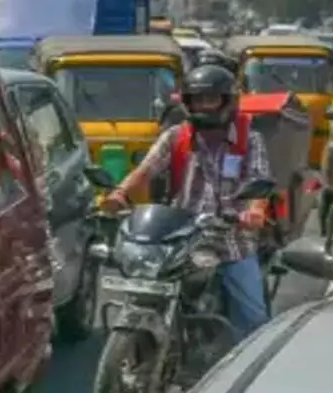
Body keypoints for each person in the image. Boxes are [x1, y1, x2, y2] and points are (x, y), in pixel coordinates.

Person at [102, 63, 273, 337]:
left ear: (227, 101)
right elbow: (146, 170)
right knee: (146, 285)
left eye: (211, 99)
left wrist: (253, 211)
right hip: (181, 238)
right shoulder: (176, 136)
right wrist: (120, 193)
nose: (204, 106)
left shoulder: (250, 139)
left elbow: (258, 180)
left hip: (231, 239)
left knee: (254, 321)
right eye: (198, 100)